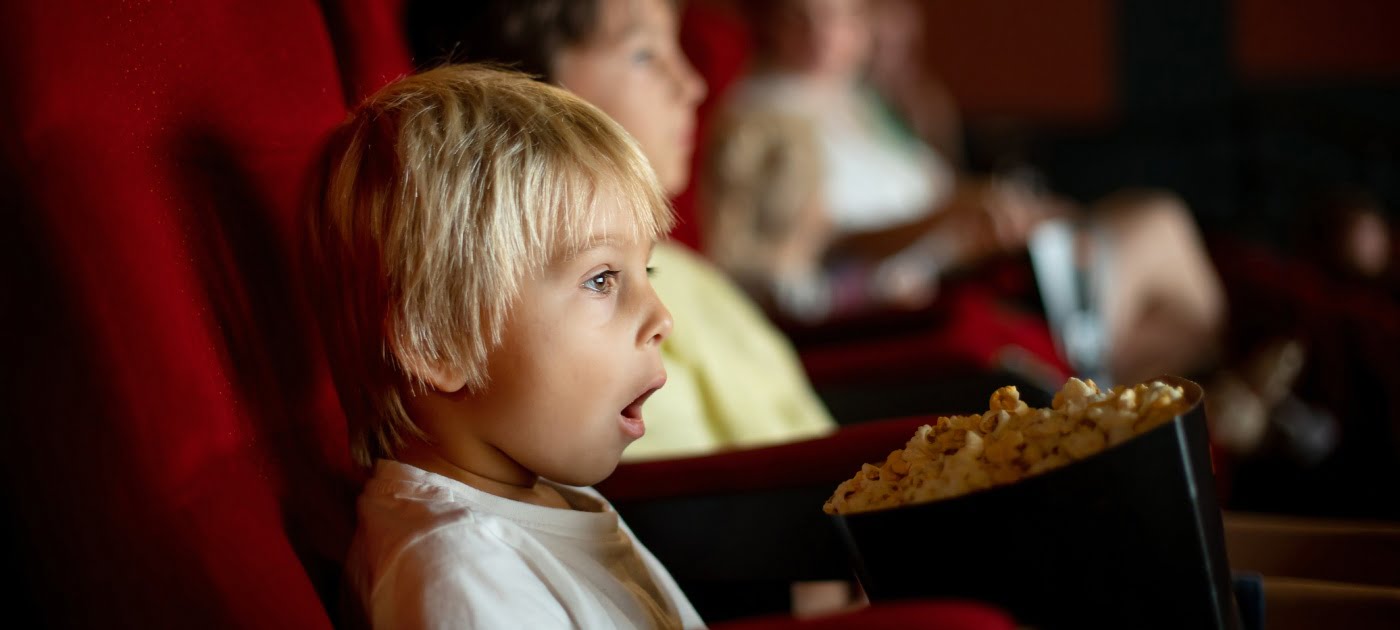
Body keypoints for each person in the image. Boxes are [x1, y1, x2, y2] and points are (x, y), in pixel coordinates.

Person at [307, 65, 704, 628]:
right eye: (601, 280)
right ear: (438, 343)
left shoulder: (546, 498)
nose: (661, 318)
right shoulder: (459, 574)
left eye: (647, 270)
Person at [407, 0, 837, 462]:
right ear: (527, 91)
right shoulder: (578, 346)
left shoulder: (687, 274)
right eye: (644, 54)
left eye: (644, 267)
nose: (692, 85)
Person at [717, 0, 1228, 386]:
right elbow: (817, 246)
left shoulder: (858, 104)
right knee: (1162, 224)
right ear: (772, 22)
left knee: (1166, 274)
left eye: (842, 17)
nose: (825, 36)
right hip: (918, 292)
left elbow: (936, 187)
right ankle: (1174, 407)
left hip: (971, 255)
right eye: (803, 17)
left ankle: (1154, 405)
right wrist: (949, 215)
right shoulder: (764, 114)